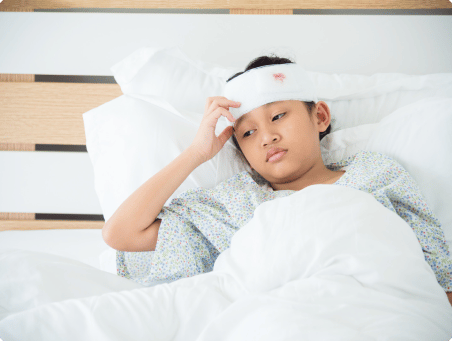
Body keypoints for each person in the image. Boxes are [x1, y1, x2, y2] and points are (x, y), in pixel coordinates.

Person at [102, 55, 452, 305]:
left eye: (279, 116)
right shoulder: (234, 202)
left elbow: (438, 272)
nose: (266, 137)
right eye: (249, 132)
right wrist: (196, 153)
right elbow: (121, 233)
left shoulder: (375, 172)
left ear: (320, 116)